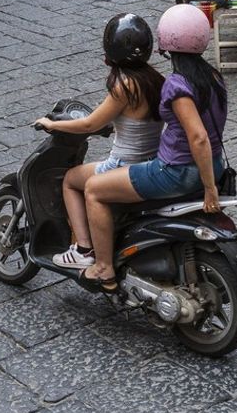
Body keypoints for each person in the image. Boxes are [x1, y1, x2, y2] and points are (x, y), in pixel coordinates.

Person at [81, 4, 228, 287]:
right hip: (214, 164)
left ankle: (103, 267)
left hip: (176, 171)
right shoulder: (213, 77)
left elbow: (197, 137)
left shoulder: (177, 85)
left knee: (93, 189)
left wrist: (210, 189)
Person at [34, 14, 164, 269]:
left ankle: (83, 248)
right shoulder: (155, 80)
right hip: (151, 161)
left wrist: (52, 124)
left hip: (124, 165)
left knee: (71, 180)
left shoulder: (124, 86)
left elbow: (89, 124)